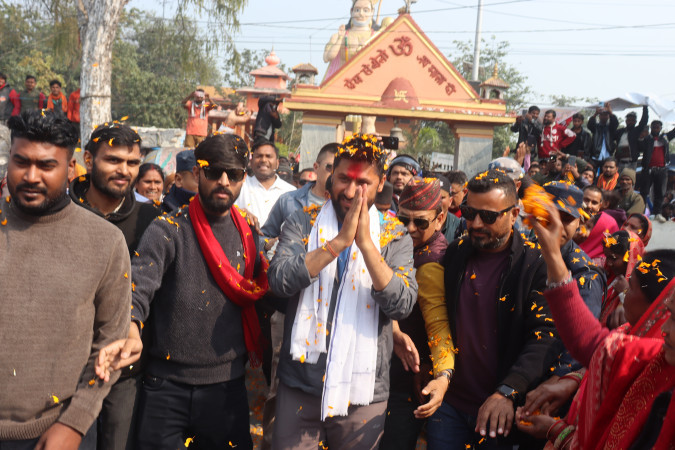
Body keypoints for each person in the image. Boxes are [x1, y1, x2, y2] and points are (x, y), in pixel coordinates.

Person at [100, 133, 268, 449]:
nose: (223, 181)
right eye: (214, 171)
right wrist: (132, 328)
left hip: (226, 387)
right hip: (166, 388)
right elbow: (138, 287)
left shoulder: (249, 235)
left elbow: (265, 291)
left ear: (243, 178)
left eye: (233, 174)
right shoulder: (168, 229)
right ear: (197, 172)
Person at [268, 134, 417, 449]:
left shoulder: (394, 235)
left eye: (362, 183)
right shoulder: (303, 222)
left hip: (363, 392)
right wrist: (336, 244)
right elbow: (279, 281)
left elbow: (401, 305)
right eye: (343, 179)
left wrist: (366, 245)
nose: (350, 192)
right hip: (301, 383)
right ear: (330, 179)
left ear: (381, 184)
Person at [0, 110, 129, 448]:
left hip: (56, 434)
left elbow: (111, 343)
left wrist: (74, 423)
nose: (31, 176)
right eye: (21, 162)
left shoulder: (105, 241)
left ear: (71, 168)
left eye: (46, 166)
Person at [519, 200, 675, 449]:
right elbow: (599, 350)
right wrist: (572, 381)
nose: (623, 289)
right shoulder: (628, 334)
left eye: (631, 287)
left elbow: (590, 341)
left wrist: (556, 431)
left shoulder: (657, 363)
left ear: (657, 310)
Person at [424, 169, 556, 449]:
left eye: (488, 216)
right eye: (469, 213)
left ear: (514, 214)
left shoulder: (535, 264)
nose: (476, 224)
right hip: (449, 405)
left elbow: (544, 336)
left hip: (500, 409)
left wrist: (508, 391)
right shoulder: (456, 252)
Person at [70, 123, 162, 450]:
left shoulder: (153, 219)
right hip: (68, 368)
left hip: (126, 367)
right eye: (113, 160)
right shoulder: (61, 211)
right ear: (88, 159)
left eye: (132, 162)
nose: (124, 170)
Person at [257, 143, 336, 449]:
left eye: (341, 171)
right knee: (281, 382)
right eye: (329, 168)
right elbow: (263, 237)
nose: (334, 175)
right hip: (289, 306)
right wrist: (275, 248)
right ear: (316, 169)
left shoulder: (351, 208)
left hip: (332, 313)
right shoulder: (290, 202)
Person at [381, 178, 451, 449]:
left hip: (408, 376)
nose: (410, 229)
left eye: (420, 222)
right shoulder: (401, 244)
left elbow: (438, 326)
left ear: (440, 219)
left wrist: (441, 374)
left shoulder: (430, 262)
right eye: (403, 219)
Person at [235, 140, 295, 227]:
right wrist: (240, 212)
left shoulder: (290, 192)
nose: (263, 160)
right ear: (251, 162)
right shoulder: (239, 185)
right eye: (259, 156)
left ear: (277, 163)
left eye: (268, 156)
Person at [323, 0, 381, 80]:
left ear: (372, 12)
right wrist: (340, 38)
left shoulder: (378, 36)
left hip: (369, 80)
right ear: (351, 11)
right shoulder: (339, 36)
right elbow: (327, 58)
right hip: (344, 81)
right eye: (357, 10)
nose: (361, 13)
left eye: (365, 10)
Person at [599, 230, 645, 330]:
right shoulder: (609, 276)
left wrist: (625, 292)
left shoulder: (642, 287)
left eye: (614, 258)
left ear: (630, 258)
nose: (609, 263)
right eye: (607, 257)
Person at [639, 119, 675, 221]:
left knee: (660, 193)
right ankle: (641, 213)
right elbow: (640, 147)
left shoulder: (665, 137)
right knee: (644, 192)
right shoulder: (647, 139)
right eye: (654, 127)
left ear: (660, 128)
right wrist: (642, 137)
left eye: (657, 127)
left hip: (662, 169)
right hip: (648, 169)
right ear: (651, 127)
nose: (655, 128)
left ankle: (657, 213)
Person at [576, 185, 619, 265]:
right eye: (586, 200)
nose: (589, 206)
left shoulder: (608, 223)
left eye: (594, 203)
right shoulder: (567, 217)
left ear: (600, 206)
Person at [615, 105, 648, 170]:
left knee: (630, 176)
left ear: (635, 122)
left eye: (632, 120)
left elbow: (644, 120)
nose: (630, 122)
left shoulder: (636, 131)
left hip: (631, 163)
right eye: (629, 120)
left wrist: (645, 108)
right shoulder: (620, 131)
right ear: (626, 121)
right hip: (619, 162)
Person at [435, 174, 461, 242]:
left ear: (450, 201)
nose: (437, 201)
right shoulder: (416, 223)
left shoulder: (458, 226)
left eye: (442, 197)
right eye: (433, 196)